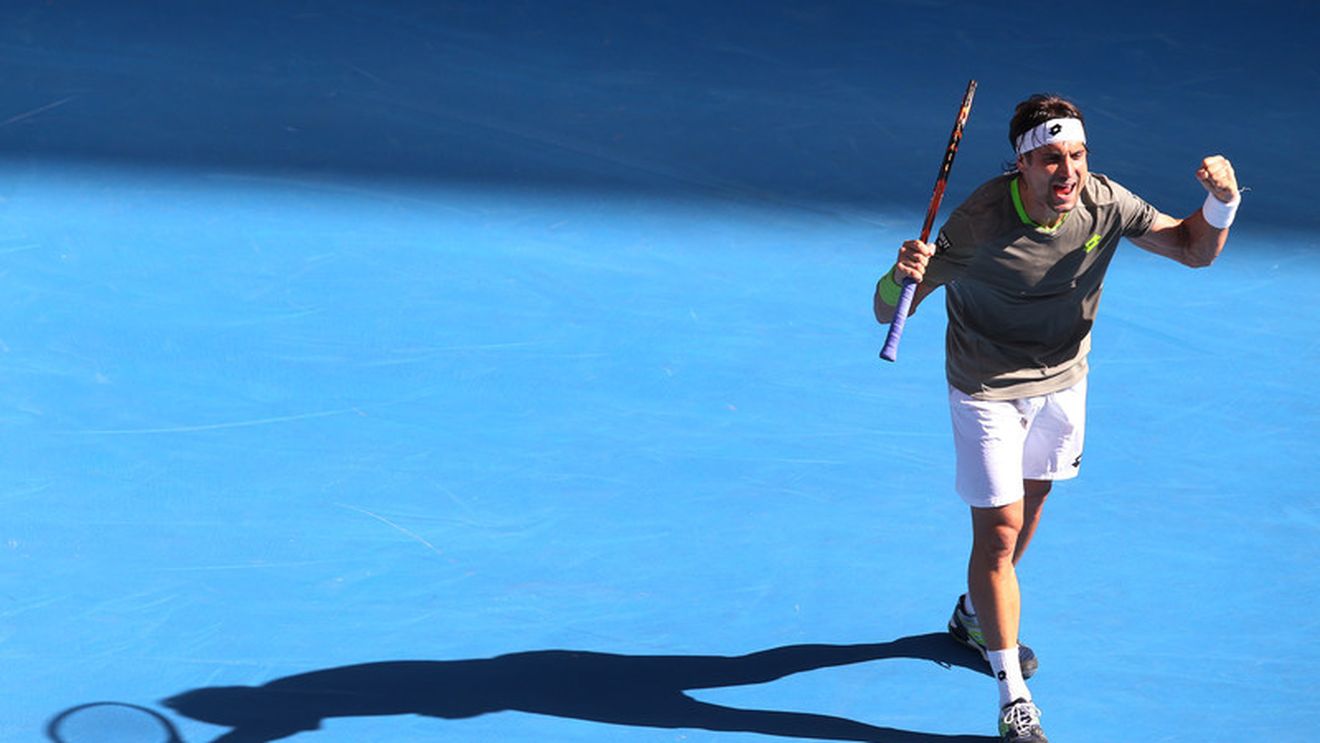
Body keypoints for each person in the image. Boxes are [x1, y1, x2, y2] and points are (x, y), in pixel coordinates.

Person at [872, 93, 1239, 742]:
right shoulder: (979, 221)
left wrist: (1223, 202)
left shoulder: (1104, 201)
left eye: (1077, 154)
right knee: (998, 533)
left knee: (1028, 515)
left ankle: (973, 616)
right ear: (1021, 165)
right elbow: (888, 309)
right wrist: (900, 277)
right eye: (1050, 159)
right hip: (985, 385)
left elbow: (1192, 247)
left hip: (1064, 383)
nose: (1067, 171)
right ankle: (1013, 697)